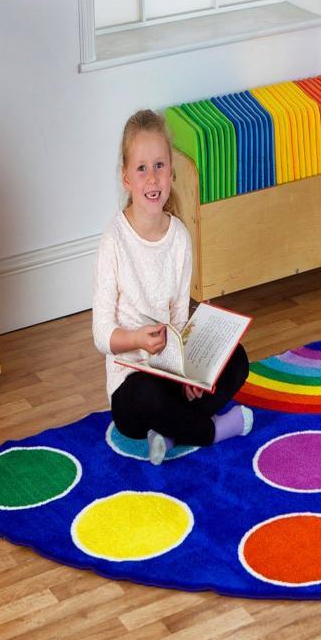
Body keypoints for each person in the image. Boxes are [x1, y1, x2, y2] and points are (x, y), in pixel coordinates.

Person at [92, 109, 252, 465]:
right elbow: (102, 334)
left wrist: (190, 372)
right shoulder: (114, 239)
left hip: (170, 375)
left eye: (160, 166)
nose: (153, 178)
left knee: (237, 361)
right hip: (132, 387)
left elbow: (180, 320)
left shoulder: (179, 237)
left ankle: (167, 431)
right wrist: (136, 339)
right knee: (147, 396)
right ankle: (212, 431)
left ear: (172, 172)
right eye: (142, 168)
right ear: (126, 178)